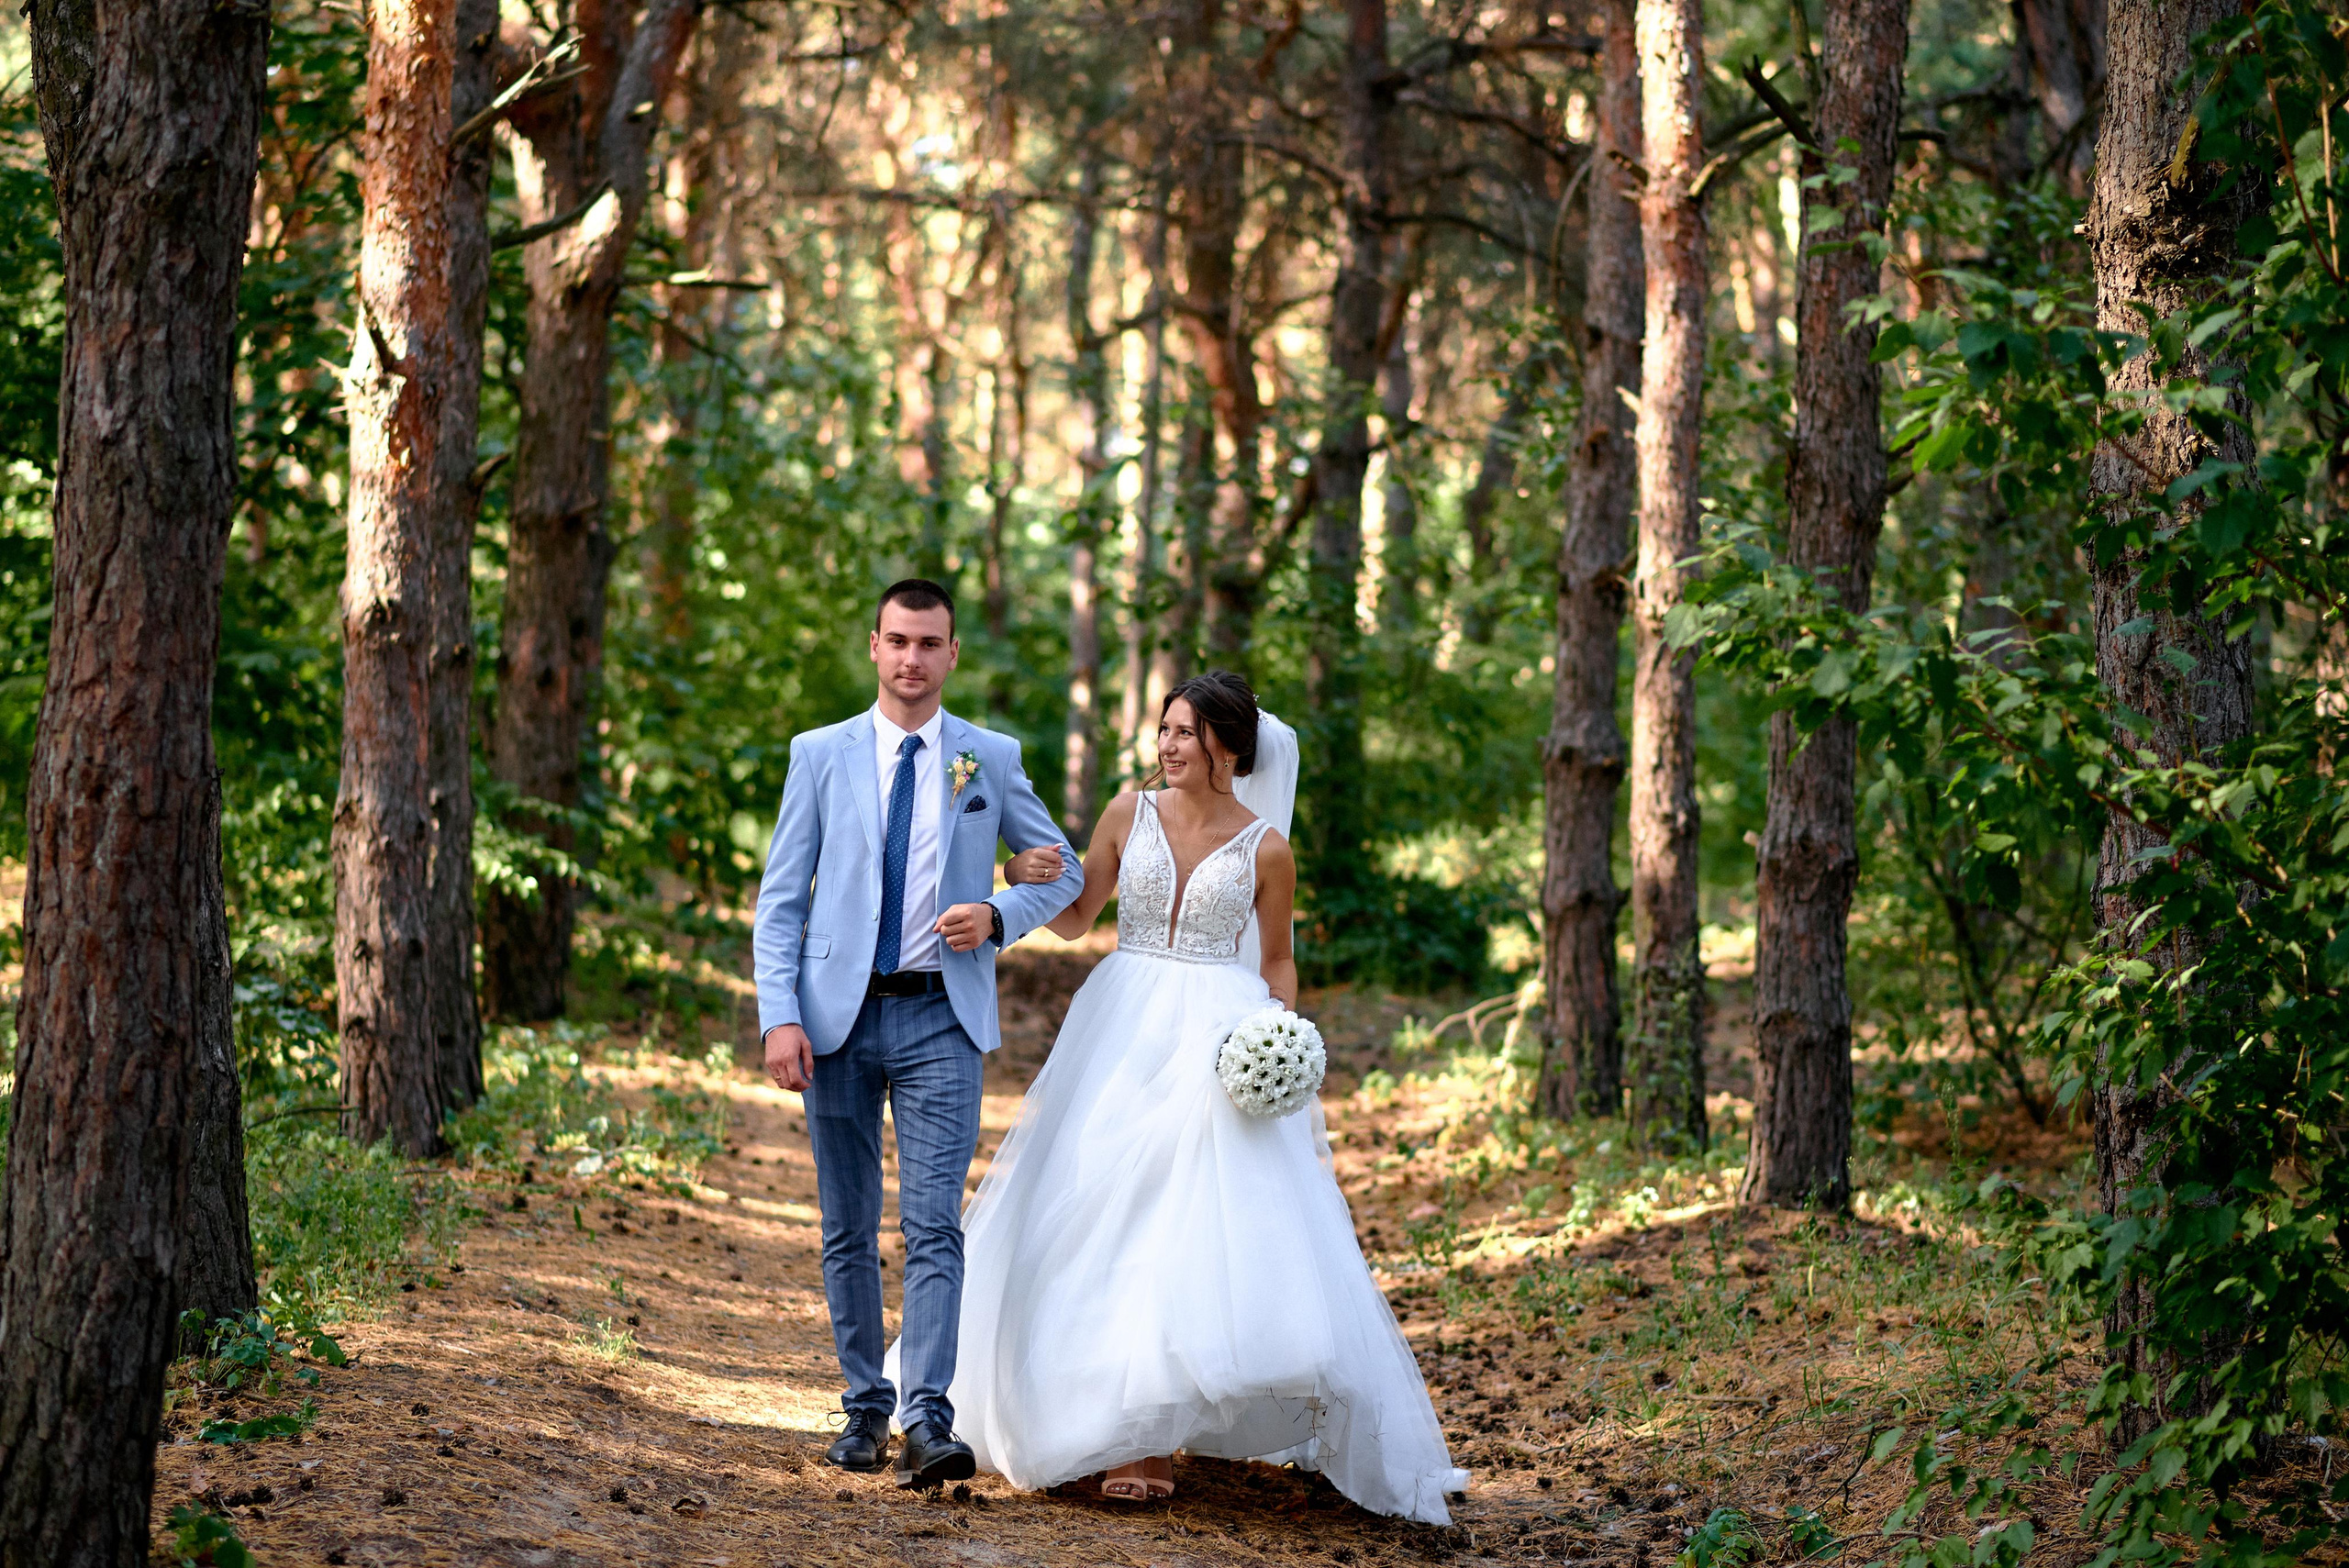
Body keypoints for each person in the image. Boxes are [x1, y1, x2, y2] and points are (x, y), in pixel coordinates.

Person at [920, 672, 1467, 1522]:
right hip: (1121, 1028)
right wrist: (1011, 878)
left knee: (1182, 1221)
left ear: (1230, 750)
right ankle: (1079, 1411)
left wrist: (1277, 1035)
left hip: (1220, 1033)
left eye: (1187, 733)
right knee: (1096, 1206)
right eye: (1166, 729)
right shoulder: (1124, 813)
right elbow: (1074, 915)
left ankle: (1148, 1433)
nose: (1169, 745)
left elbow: (1277, 958)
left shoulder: (1267, 847)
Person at [753, 579, 1085, 1488]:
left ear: (951, 653)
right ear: (873, 646)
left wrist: (999, 910)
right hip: (838, 1018)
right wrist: (779, 1012)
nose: (911, 658)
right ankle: (863, 1406)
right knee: (847, 1223)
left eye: (928, 642)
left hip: (942, 1011)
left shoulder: (988, 758)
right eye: (897, 640)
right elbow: (782, 900)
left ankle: (926, 1417)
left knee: (935, 1222)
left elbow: (1064, 871)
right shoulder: (818, 754)